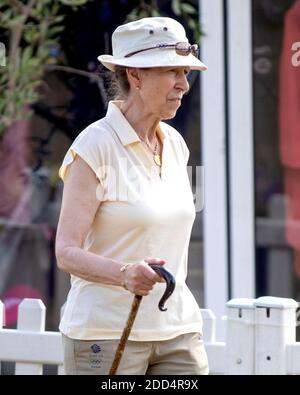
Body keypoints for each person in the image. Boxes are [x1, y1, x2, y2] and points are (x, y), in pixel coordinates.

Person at [55, 16, 208, 375]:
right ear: (135, 76)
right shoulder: (95, 146)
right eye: (172, 72)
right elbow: (66, 252)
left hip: (178, 333)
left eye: (185, 74)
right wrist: (125, 273)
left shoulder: (175, 145)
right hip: (105, 335)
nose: (184, 85)